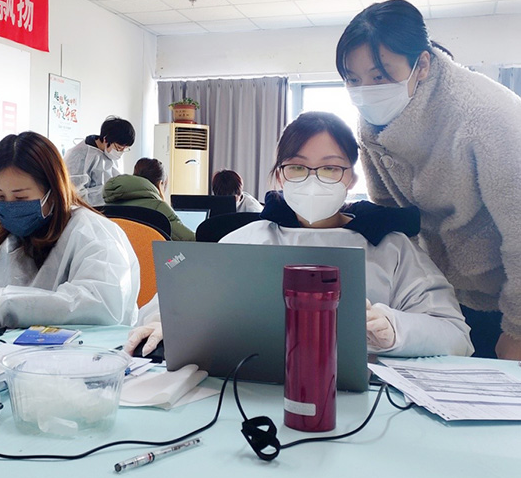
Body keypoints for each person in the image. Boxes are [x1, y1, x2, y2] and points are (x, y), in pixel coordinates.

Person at [126, 112, 472, 359]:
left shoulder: (390, 247)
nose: (312, 179)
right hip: (244, 391)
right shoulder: (245, 241)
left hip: (366, 402)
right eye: (297, 167)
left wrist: (396, 329)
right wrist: (167, 323)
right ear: (280, 175)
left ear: (351, 178)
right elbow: (162, 306)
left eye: (330, 167)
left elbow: (457, 337)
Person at [336, 0, 521, 360]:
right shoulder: (372, 123)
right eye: (353, 79)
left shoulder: (485, 116)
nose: (366, 91)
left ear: (421, 65)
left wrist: (517, 329)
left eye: (379, 76)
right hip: (445, 292)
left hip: (506, 296)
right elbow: (391, 216)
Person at [0, 131, 139, 328]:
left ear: (53, 191)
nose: (9, 206)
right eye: (0, 197)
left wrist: (3, 306)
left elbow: (100, 305)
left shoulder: (93, 233)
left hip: (77, 346)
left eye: (20, 198)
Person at [103, 158, 196, 241]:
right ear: (160, 184)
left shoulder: (107, 207)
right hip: (151, 255)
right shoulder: (158, 207)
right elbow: (189, 240)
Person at [63, 116, 135, 207]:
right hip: (83, 210)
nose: (120, 152)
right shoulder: (79, 155)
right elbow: (74, 194)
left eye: (125, 149)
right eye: (119, 148)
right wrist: (107, 193)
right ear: (106, 139)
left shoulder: (111, 154)